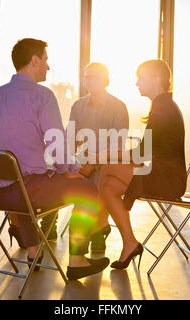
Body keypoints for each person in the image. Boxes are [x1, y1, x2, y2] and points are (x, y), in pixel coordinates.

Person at [0, 38, 109, 280]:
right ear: (35, 60)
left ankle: (34, 251)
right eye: (46, 60)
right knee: (87, 189)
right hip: (25, 192)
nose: (48, 66)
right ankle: (78, 260)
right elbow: (57, 147)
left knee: (25, 175)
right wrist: (71, 169)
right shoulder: (42, 96)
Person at [97, 59, 187, 269]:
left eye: (141, 78)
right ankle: (130, 242)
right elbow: (145, 152)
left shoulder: (163, 108)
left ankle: (99, 222)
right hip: (160, 173)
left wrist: (106, 154)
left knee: (108, 166)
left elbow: (140, 154)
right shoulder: (162, 104)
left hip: (168, 179)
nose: (136, 83)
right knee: (108, 186)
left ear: (156, 79)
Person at [68, 62, 129, 252]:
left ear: (105, 80)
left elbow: (117, 147)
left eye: (94, 76)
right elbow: (71, 139)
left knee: (96, 185)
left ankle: (96, 230)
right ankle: (95, 229)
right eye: (86, 76)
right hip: (83, 162)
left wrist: (92, 165)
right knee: (66, 179)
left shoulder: (118, 107)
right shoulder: (78, 106)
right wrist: (70, 165)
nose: (89, 80)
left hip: (107, 164)